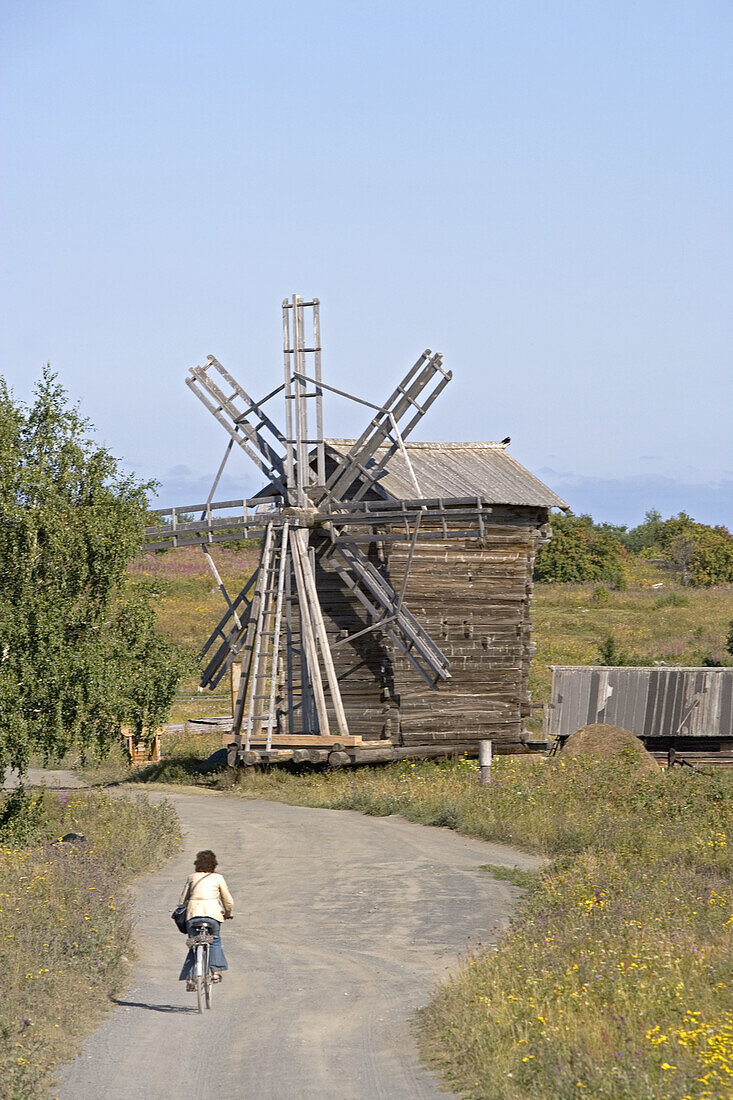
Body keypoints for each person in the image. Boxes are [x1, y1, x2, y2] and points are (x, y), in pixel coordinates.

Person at [178, 849, 234, 991]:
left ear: (197, 864)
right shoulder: (218, 878)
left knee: (194, 943)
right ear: (214, 864)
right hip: (213, 915)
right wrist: (228, 913)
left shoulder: (191, 877)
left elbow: (182, 901)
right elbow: (227, 900)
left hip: (193, 915)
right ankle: (215, 973)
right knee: (214, 940)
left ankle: (190, 978)